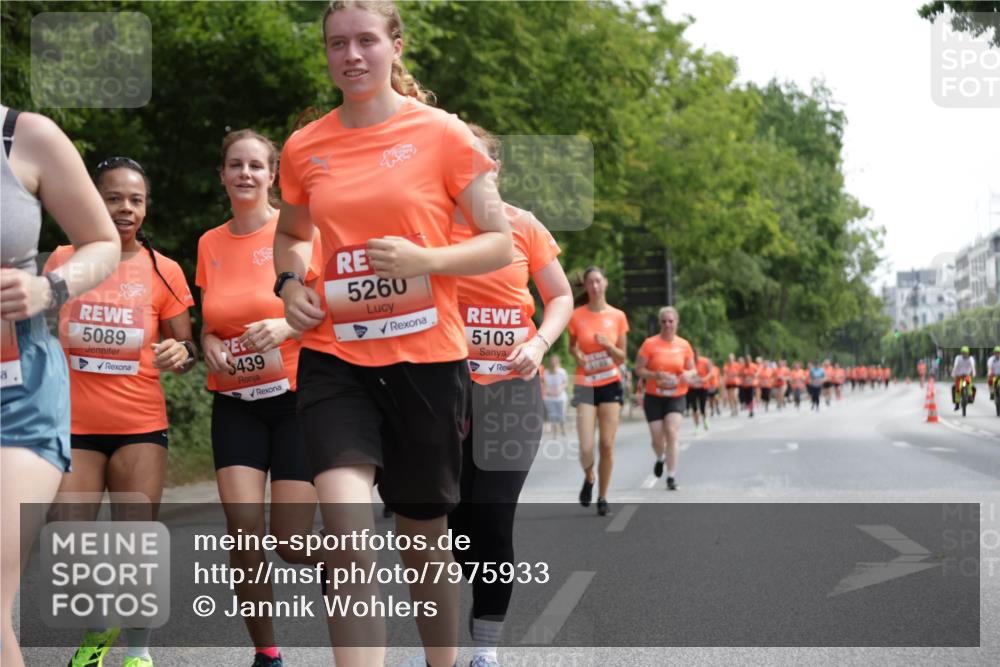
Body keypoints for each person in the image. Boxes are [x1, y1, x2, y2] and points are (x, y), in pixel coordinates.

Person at [273, 3, 513, 665]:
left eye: (365, 41)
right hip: (335, 358)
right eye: (337, 44)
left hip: (428, 362)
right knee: (348, 532)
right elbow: (291, 234)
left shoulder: (443, 134)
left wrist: (427, 261)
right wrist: (290, 285)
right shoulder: (305, 146)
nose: (351, 55)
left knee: (422, 535)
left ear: (394, 46)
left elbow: (498, 243)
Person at [46, 156, 195, 667]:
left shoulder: (163, 269)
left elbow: (186, 346)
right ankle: (100, 621)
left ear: (147, 207)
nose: (125, 208)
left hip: (139, 425)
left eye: (136, 199)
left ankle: (136, 653)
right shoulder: (63, 259)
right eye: (114, 197)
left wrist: (182, 355)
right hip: (73, 426)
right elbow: (34, 330)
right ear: (94, 198)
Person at [196, 129, 324, 667]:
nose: (244, 174)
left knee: (291, 544)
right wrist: (208, 347)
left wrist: (285, 329)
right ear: (222, 175)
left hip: (296, 400)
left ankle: (345, 554)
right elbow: (208, 323)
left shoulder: (296, 232)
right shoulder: (208, 243)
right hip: (235, 404)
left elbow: (326, 309)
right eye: (235, 165)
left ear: (273, 175)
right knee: (243, 533)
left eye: (256, 166)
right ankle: (267, 654)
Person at [447, 125, 573, 667]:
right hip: (445, 393)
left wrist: (541, 342)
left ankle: (485, 650)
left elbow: (560, 295)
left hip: (510, 394)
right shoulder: (432, 225)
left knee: (493, 520)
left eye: (477, 162)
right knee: (453, 527)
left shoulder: (524, 227)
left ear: (494, 168)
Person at [1, 106, 120, 667]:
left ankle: (126, 638)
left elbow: (102, 243)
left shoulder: (25, 136)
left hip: (17, 390)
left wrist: (48, 288)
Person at [568, 267, 629, 516]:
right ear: (586, 286)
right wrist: (578, 356)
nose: (594, 286)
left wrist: (609, 347)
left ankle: (602, 496)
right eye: (590, 282)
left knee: (606, 444)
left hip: (609, 382)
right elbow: (572, 347)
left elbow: (623, 357)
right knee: (585, 446)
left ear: (605, 283)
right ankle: (589, 476)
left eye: (598, 281)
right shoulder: (575, 316)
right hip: (585, 383)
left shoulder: (618, 316)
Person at [635, 306, 694, 491]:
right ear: (660, 323)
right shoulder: (649, 344)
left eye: (671, 321)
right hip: (654, 396)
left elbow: (693, 370)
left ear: (676, 322)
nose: (667, 324)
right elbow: (638, 369)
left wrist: (687, 374)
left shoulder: (684, 345)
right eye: (664, 321)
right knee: (657, 439)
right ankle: (660, 458)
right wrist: (655, 375)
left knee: (672, 431)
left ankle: (671, 476)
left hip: (676, 395)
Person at [543, 355, 569, 437]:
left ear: (558, 362)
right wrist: (549, 391)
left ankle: (563, 428)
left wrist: (560, 389)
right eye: (552, 361)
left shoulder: (562, 372)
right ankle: (555, 433)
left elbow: (565, 383)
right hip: (549, 397)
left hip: (561, 397)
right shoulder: (546, 372)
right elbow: (545, 384)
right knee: (552, 415)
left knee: (561, 415)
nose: (553, 363)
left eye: (555, 361)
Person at [686, 349, 710, 430]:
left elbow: (711, 373)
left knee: (703, 406)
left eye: (696, 354)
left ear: (699, 354)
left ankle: (705, 420)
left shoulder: (705, 361)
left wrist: (704, 379)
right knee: (694, 407)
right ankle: (697, 425)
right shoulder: (688, 363)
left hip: (703, 387)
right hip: (692, 387)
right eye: (693, 355)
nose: (695, 356)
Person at [951, 346, 976, 410]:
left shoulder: (970, 358)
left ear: (968, 353)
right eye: (963, 353)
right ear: (961, 353)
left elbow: (972, 366)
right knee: (958, 389)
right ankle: (957, 403)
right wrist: (953, 372)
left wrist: (973, 372)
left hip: (966, 376)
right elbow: (955, 366)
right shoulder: (958, 358)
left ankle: (970, 396)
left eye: (965, 353)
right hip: (959, 376)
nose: (964, 354)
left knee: (969, 383)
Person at [723, 352, 740, 417]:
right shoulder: (726, 365)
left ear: (733, 358)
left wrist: (736, 374)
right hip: (728, 383)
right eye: (729, 358)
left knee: (735, 396)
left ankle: (736, 407)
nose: (730, 359)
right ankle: (732, 409)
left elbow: (740, 373)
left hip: (735, 383)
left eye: (731, 358)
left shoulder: (736, 365)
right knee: (730, 397)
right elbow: (725, 374)